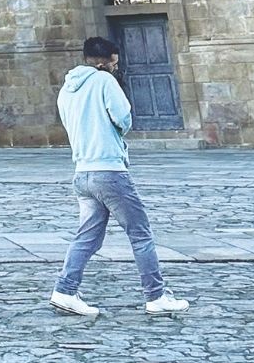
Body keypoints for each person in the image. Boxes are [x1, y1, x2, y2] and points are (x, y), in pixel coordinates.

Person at [50, 37, 190, 317]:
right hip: (110, 171)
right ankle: (156, 295)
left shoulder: (66, 89)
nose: (116, 68)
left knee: (87, 237)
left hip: (82, 173)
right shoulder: (104, 81)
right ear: (103, 63)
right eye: (114, 63)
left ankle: (64, 291)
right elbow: (123, 117)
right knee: (140, 234)